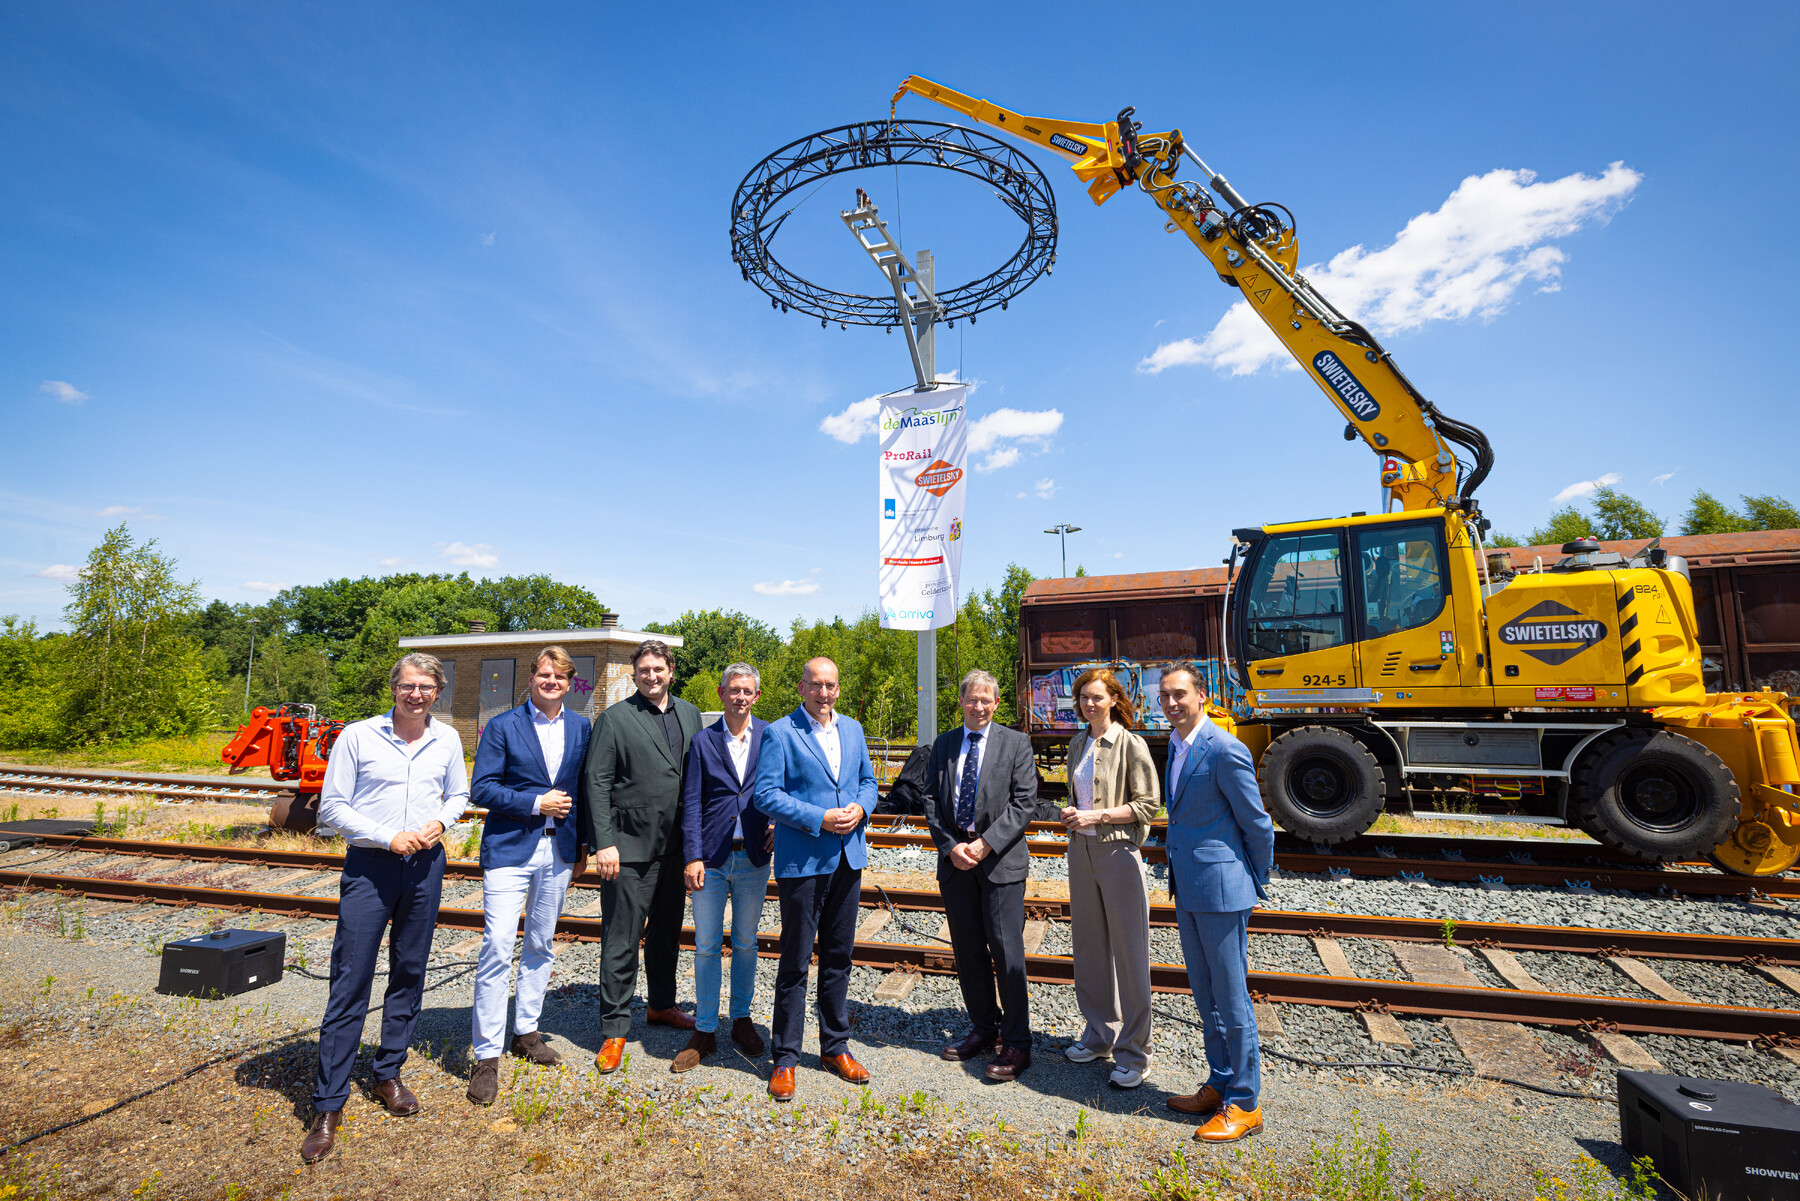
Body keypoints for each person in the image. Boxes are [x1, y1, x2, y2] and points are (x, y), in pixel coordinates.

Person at [301, 652, 468, 1165]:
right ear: (394, 688)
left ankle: (388, 1071)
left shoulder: (448, 738)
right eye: (407, 685)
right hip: (371, 866)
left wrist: (439, 824)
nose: (416, 694)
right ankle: (328, 1104)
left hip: (425, 866)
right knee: (351, 977)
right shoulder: (358, 735)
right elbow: (331, 808)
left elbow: (458, 793)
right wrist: (386, 837)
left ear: (437, 692)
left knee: (410, 970)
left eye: (426, 687)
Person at [465, 646, 592, 1105]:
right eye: (544, 675)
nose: (551, 682)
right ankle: (486, 1056)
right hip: (510, 849)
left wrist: (584, 846)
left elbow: (585, 789)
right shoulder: (502, 726)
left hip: (558, 851)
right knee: (498, 945)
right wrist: (537, 803)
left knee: (540, 943)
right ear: (532, 679)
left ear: (569, 682)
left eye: (559, 676)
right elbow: (482, 787)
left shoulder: (581, 727)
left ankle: (527, 1032)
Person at [752, 656, 878, 1101]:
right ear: (802, 688)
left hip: (848, 859)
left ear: (838, 690)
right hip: (803, 862)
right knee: (795, 961)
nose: (824, 693)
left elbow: (868, 781)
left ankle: (834, 1047)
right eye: (816, 685)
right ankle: (785, 1057)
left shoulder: (853, 729)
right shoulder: (781, 733)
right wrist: (818, 818)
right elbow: (766, 795)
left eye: (831, 686)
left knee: (840, 957)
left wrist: (862, 808)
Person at [1158, 664, 1275, 1142]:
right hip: (1187, 887)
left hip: (1223, 892)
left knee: (1231, 999)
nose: (1170, 703)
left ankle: (1245, 1103)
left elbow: (1258, 824)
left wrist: (1250, 880)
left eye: (1180, 694)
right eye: (1164, 695)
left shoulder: (1226, 749)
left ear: (1202, 696)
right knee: (1205, 996)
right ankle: (1221, 1081)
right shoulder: (1175, 744)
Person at [583, 639, 703, 1074]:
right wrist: (604, 842)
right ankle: (615, 1029)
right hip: (628, 848)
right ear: (635, 675)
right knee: (621, 938)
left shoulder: (690, 714)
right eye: (643, 670)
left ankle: (662, 1005)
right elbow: (596, 783)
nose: (651, 676)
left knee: (667, 933)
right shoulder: (615, 719)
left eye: (658, 669)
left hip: (677, 848)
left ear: (671, 671)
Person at [924, 669, 1041, 1082]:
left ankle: (1017, 1042)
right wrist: (950, 846)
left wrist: (985, 843)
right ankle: (984, 1029)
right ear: (961, 701)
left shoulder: (1016, 743)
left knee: (1008, 955)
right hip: (956, 864)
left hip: (999, 864)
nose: (979, 706)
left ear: (996, 703)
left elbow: (1025, 802)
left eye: (986, 700)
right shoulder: (944, 744)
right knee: (968, 951)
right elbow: (931, 801)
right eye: (972, 699)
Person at [1058, 667, 1160, 1089]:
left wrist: (1095, 815)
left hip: (1118, 852)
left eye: (1097, 697)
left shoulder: (1130, 743)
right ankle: (1100, 1035)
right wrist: (1073, 815)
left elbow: (1149, 805)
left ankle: (1135, 1055)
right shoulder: (1078, 742)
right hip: (1080, 851)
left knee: (1130, 954)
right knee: (1090, 948)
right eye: (1084, 697)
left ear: (1114, 699)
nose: (1089, 704)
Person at [674, 663, 772, 1072]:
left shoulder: (771, 736)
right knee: (707, 945)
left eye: (747, 691)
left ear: (756, 696)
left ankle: (742, 1019)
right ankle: (705, 1028)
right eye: (733, 690)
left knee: (747, 943)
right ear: (721, 693)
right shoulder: (702, 741)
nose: (740, 697)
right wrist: (692, 856)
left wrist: (775, 824)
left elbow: (782, 787)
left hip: (752, 857)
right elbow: (692, 802)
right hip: (710, 860)